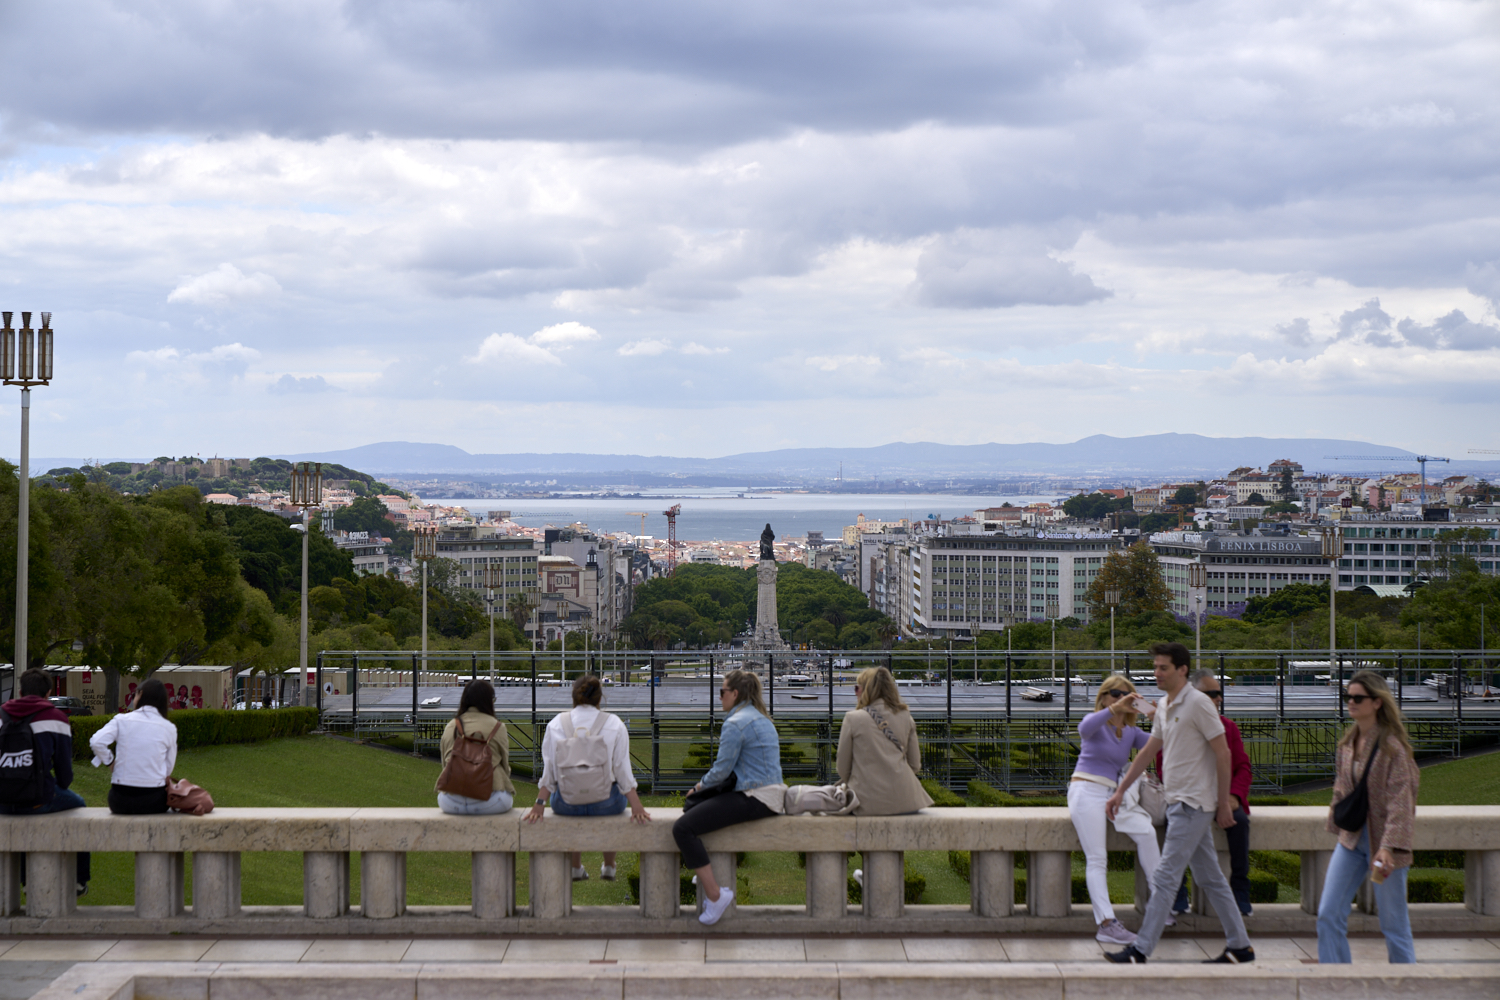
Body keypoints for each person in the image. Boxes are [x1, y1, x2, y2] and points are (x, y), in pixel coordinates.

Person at [1103, 642, 1253, 965]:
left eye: (1164, 668)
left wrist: (1224, 803)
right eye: (1155, 667)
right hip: (1177, 803)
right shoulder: (1165, 705)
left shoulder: (1198, 704)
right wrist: (1120, 792)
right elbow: (1147, 753)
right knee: (1211, 879)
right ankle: (1240, 946)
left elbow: (1224, 753)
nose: (1157, 673)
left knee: (1165, 878)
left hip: (1193, 805)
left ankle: (1140, 950)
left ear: (1182, 670)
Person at [1316, 670, 1418, 964]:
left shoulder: (1393, 748)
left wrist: (1388, 847)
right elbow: (1341, 789)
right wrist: (1336, 823)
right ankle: (1335, 980)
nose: (1351, 702)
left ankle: (1406, 982)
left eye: (1358, 698)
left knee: (1393, 924)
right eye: (1347, 697)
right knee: (1327, 914)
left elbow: (1401, 802)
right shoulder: (1347, 744)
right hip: (1351, 840)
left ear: (1377, 702)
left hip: (1384, 848)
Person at [672, 669, 784, 926]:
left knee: (682, 828)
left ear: (734, 693)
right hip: (768, 794)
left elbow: (721, 770)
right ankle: (703, 871)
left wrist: (698, 787)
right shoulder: (760, 716)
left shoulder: (735, 723)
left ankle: (715, 895)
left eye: (722, 692)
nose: (719, 697)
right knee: (696, 812)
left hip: (756, 796)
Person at [526, 675, 650, 881]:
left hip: (566, 804)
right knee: (613, 792)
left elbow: (550, 771)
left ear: (574, 697)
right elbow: (622, 769)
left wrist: (539, 803)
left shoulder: (556, 724)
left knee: (571, 793)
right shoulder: (614, 724)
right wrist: (636, 804)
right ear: (600, 698)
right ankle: (609, 865)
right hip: (606, 804)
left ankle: (575, 867)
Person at [1068, 674, 1162, 945]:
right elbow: (1084, 728)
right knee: (1097, 859)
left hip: (1113, 796)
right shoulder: (1096, 723)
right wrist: (1115, 709)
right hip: (1086, 791)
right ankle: (1106, 924)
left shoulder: (1130, 732)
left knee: (1146, 834)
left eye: (1126, 695)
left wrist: (1157, 717)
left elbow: (1161, 743)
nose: (1121, 698)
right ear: (1104, 698)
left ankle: (1161, 901)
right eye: (1115, 694)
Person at [1167, 670, 1253, 917]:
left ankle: (1240, 890)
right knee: (1171, 821)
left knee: (1239, 823)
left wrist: (1233, 796)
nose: (1219, 699)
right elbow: (1165, 766)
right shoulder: (1178, 725)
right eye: (1212, 694)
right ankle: (1177, 892)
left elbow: (1243, 767)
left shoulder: (1228, 727)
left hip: (1223, 797)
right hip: (1189, 797)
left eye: (1219, 693)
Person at [0, 669, 90, 895]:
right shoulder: (56, 719)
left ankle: (26, 880)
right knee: (79, 805)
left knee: (21, 809)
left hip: (2, 800)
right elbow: (65, 775)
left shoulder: (1, 715)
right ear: (48, 693)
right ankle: (79, 879)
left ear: (20, 691)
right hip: (38, 799)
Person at [836, 666, 933, 816]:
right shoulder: (905, 716)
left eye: (857, 688)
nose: (855, 693)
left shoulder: (853, 719)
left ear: (866, 690)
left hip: (866, 802)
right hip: (907, 801)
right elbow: (915, 765)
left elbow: (842, 768)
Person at [90, 677, 178, 815]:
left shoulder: (121, 720)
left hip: (120, 801)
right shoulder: (169, 728)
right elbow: (168, 769)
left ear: (140, 694)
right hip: (154, 802)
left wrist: (110, 762)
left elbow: (97, 741)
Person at [436, 679, 516, 816]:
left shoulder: (452, 726)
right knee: (506, 797)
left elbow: (445, 765)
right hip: (490, 802)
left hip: (451, 802)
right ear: (489, 701)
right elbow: (505, 766)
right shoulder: (497, 727)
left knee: (441, 796)